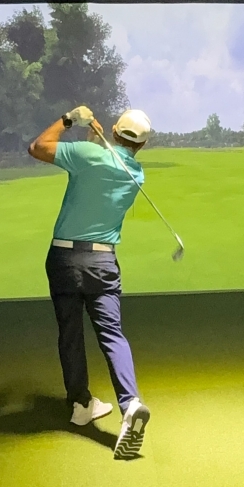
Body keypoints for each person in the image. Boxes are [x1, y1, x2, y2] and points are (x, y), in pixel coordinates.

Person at [28, 106, 152, 459]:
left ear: (113, 131)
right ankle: (129, 404)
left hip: (64, 259)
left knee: (70, 332)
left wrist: (70, 120)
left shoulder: (87, 153)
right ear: (142, 145)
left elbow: (38, 146)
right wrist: (98, 141)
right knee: (112, 334)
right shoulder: (136, 173)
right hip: (102, 262)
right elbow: (103, 164)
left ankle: (81, 404)